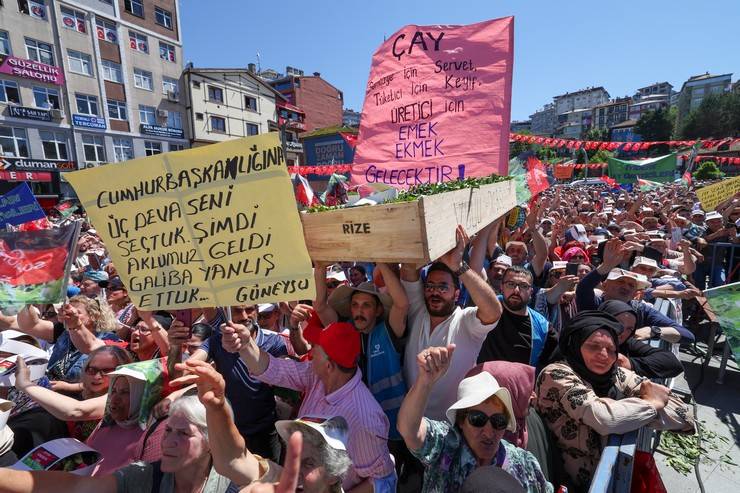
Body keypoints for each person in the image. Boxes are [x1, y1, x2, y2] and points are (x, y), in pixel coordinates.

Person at [224, 320, 396, 492]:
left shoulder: (365, 417)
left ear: (329, 366)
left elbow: (381, 479)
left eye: (316, 349)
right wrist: (246, 345)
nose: (310, 351)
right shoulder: (316, 375)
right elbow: (272, 368)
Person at [535, 311, 695, 492]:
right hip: (566, 481)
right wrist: (650, 404)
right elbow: (606, 419)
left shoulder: (614, 374)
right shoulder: (556, 374)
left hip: (609, 477)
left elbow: (684, 415)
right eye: (593, 346)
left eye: (611, 349)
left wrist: (623, 411)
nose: (604, 355)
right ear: (575, 345)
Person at [172, 359, 353, 493]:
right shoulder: (280, 480)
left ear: (333, 475)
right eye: (293, 458)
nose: (295, 471)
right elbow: (234, 459)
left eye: (308, 463)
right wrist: (216, 407)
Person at [0, 393, 233, 493]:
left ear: (211, 440)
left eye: (183, 434)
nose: (168, 441)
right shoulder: (145, 476)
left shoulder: (238, 483)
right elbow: (76, 487)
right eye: (168, 430)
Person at [397, 345, 552, 493]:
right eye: (478, 419)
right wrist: (425, 381)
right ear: (461, 421)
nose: (489, 432)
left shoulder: (524, 465)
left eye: (498, 421)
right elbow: (409, 430)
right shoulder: (445, 445)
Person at [401, 225, 503, 420]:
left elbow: (493, 311)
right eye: (430, 286)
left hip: (449, 427)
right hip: (412, 422)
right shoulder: (418, 311)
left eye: (443, 287)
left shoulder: (465, 321)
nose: (435, 291)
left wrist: (458, 265)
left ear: (457, 294)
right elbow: (408, 268)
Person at [171, 305, 290, 461]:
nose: (244, 316)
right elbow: (180, 373)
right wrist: (174, 345)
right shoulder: (216, 341)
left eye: (249, 309)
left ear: (257, 309)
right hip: (229, 430)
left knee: (269, 481)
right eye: (236, 311)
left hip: (265, 431)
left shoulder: (274, 341)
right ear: (226, 313)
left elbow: (285, 381)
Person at [575, 239, 695, 343]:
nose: (626, 287)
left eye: (631, 285)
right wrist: (606, 266)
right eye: (620, 281)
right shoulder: (593, 303)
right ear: (605, 285)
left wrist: (653, 331)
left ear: (635, 292)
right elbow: (583, 287)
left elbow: (687, 335)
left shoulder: (640, 309)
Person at [14, 346, 132, 442]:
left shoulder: (117, 398)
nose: (97, 377)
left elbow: (75, 411)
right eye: (92, 370)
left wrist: (25, 384)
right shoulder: (87, 391)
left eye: (107, 371)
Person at [16, 296, 120, 383]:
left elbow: (90, 345)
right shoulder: (64, 331)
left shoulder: (109, 338)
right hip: (49, 391)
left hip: (79, 399)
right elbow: (31, 325)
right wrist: (25, 298)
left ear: (93, 316)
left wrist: (69, 388)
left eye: (77, 312)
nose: (69, 314)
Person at [477, 266, 557, 370]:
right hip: (482, 382)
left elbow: (554, 362)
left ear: (531, 292)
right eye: (510, 284)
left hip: (520, 385)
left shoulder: (543, 327)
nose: (516, 290)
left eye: (523, 286)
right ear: (501, 286)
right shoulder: (485, 310)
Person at [596, 300, 683, 379]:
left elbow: (673, 363)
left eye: (629, 329)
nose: (622, 332)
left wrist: (630, 364)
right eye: (618, 324)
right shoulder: (583, 338)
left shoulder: (627, 342)